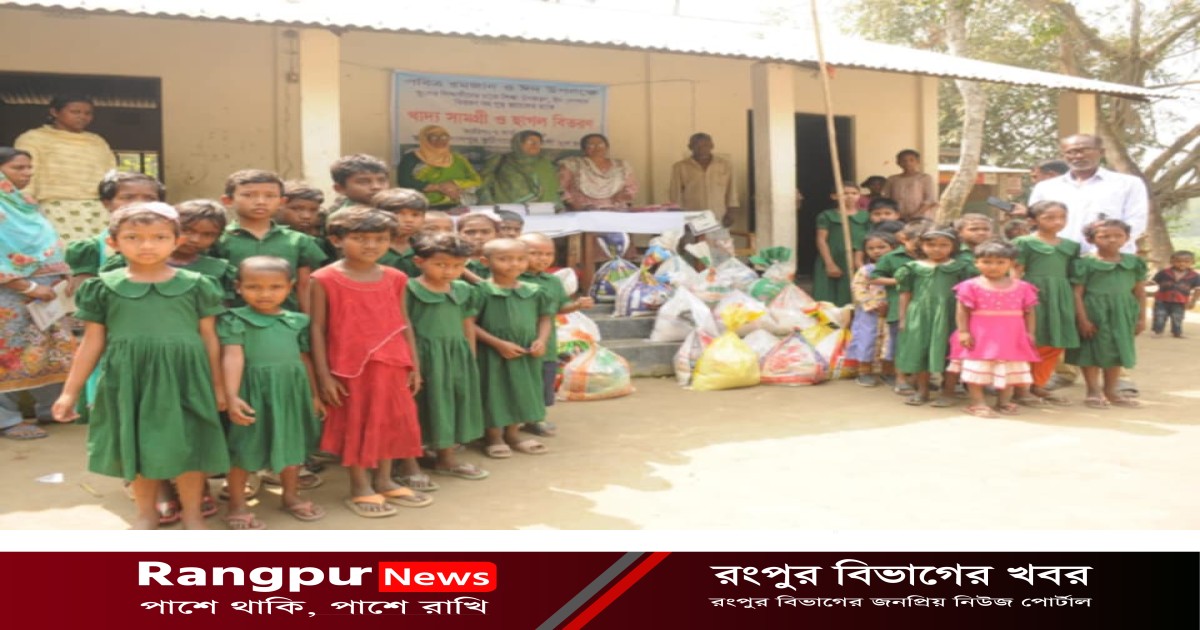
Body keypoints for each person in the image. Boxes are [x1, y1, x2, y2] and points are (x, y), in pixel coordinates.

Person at [51, 203, 229, 530]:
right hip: (130, 380)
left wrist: (219, 386)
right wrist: (69, 392)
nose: (147, 245)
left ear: (176, 241)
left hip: (186, 379)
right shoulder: (103, 287)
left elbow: (209, 338)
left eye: (159, 237)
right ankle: (146, 513)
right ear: (114, 243)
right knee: (137, 446)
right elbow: (91, 342)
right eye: (133, 237)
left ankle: (192, 513)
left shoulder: (198, 284)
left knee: (190, 445)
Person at [310, 207, 431, 517]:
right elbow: (316, 328)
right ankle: (359, 486)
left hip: (393, 363)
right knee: (357, 421)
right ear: (336, 240)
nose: (371, 245)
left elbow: (404, 322)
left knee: (389, 419)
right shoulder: (324, 278)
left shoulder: (396, 277)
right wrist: (323, 376)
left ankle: (385, 480)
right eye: (360, 238)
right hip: (348, 367)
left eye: (380, 239)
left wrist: (414, 365)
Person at [219, 256, 325, 529]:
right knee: (244, 446)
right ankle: (237, 504)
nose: (265, 294)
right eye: (254, 287)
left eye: (275, 287)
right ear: (238, 287)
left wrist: (314, 395)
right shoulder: (234, 319)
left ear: (290, 287)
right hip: (252, 393)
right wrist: (232, 395)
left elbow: (304, 359)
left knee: (292, 444)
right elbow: (232, 356)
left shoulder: (297, 321)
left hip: (291, 393)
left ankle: (290, 496)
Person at [0, 147, 75, 440]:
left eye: (29, 167)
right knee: (9, 353)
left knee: (52, 349)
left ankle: (51, 408)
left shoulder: (27, 204)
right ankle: (7, 419)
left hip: (49, 292)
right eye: (18, 168)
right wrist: (29, 287)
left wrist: (65, 274)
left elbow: (49, 241)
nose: (27, 173)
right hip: (11, 293)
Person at [406, 232, 489, 484]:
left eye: (457, 265)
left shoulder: (463, 289)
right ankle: (409, 462)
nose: (449, 271)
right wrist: (412, 364)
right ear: (419, 262)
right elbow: (404, 327)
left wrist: (470, 357)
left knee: (451, 405)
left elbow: (467, 324)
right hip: (423, 356)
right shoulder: (408, 289)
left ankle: (446, 458)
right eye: (440, 264)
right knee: (421, 406)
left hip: (456, 355)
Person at [472, 238, 556, 458]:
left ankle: (512, 434)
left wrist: (541, 340)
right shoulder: (480, 291)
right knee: (494, 392)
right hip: (492, 352)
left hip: (525, 351)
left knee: (521, 390)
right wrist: (498, 343)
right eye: (504, 259)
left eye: (520, 259)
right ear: (485, 261)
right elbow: (469, 324)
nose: (514, 264)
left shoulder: (535, 291)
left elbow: (545, 318)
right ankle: (493, 437)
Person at [946, 241, 1040, 417]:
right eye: (987, 262)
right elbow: (962, 310)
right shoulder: (969, 285)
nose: (993, 266)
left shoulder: (1023, 287)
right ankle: (977, 403)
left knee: (1009, 368)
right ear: (976, 263)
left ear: (1011, 263)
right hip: (979, 336)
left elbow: (1029, 312)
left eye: (1000, 262)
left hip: (1012, 336)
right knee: (977, 367)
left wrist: (1030, 333)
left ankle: (1004, 402)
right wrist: (964, 331)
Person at [213, 169, 327, 313]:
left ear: (282, 202)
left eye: (270, 196)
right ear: (228, 200)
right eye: (248, 195)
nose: (261, 202)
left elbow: (304, 287)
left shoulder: (298, 241)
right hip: (232, 321)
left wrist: (308, 321)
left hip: (287, 321)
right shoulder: (219, 239)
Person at [518, 232, 595, 436]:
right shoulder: (511, 279)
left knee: (543, 380)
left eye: (548, 254)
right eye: (535, 253)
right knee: (519, 381)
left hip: (546, 341)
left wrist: (577, 305)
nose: (542, 259)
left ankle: (536, 419)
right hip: (517, 338)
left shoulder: (552, 281)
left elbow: (559, 307)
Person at [1068, 219, 1147, 409]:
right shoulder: (1085, 263)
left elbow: (1139, 292)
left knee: (1117, 349)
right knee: (1091, 350)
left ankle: (1111, 391)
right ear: (1091, 239)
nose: (1112, 240)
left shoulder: (1134, 263)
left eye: (1118, 236)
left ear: (1127, 238)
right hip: (1094, 311)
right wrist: (1082, 319)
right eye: (1104, 236)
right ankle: (1093, 391)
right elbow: (1077, 293)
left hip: (1123, 312)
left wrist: (1142, 318)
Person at [14, 95, 117, 240]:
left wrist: (114, 201)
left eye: (88, 113)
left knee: (100, 250)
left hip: (98, 209)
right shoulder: (33, 139)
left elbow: (111, 174)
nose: (82, 117)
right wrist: (25, 204)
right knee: (61, 250)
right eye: (75, 112)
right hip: (53, 206)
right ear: (54, 112)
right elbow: (24, 172)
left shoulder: (97, 141)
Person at [895, 229, 977, 405]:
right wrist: (903, 318)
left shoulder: (962, 268)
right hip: (920, 315)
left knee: (951, 353)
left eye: (943, 245)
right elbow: (905, 293)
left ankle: (948, 392)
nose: (937, 249)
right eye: (931, 245)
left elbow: (968, 295)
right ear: (921, 245)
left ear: (953, 246)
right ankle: (922, 391)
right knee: (921, 351)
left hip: (951, 315)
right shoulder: (912, 268)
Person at [1028, 134, 1148, 255]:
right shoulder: (1045, 187)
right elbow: (1035, 223)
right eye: (1071, 152)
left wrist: (1099, 252)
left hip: (1108, 258)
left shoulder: (1128, 184)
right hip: (1057, 257)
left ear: (1101, 152)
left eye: (1084, 150)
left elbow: (1136, 222)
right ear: (1063, 155)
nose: (1078, 156)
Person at [1013, 201, 1079, 404]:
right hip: (1032, 295)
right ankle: (1021, 388)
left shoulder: (1071, 246)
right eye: (1049, 218)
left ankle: (1038, 384)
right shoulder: (1024, 242)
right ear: (1033, 221)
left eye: (1062, 217)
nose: (1057, 222)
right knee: (1031, 340)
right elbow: (1016, 271)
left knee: (1054, 342)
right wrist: (1016, 297)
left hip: (1060, 297)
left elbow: (1072, 275)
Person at [65, 171, 165, 296]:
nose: (139, 204)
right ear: (107, 203)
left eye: (150, 198)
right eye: (128, 197)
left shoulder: (171, 244)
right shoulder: (90, 250)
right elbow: (85, 296)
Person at [870, 221, 929, 394]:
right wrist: (899, 281)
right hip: (899, 307)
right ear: (904, 239)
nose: (921, 246)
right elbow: (874, 278)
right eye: (917, 241)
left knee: (923, 345)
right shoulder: (891, 257)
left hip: (926, 308)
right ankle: (901, 379)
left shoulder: (930, 256)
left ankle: (918, 379)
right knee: (901, 344)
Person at [848, 231, 897, 387]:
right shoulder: (866, 270)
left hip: (892, 312)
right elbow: (858, 288)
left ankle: (888, 371)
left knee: (890, 341)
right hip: (869, 313)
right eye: (871, 248)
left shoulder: (898, 269)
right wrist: (873, 305)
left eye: (882, 247)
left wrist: (892, 306)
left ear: (893, 247)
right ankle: (864, 372)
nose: (876, 251)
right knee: (867, 340)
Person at [397, 126, 483, 209]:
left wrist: (455, 184)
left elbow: (477, 181)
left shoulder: (458, 159)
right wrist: (438, 187)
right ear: (424, 139)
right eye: (434, 137)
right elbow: (405, 182)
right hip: (422, 207)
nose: (440, 140)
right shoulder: (411, 158)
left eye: (444, 137)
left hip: (457, 206)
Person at [812, 183, 868, 305]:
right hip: (831, 257)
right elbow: (821, 240)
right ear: (834, 196)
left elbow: (868, 240)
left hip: (856, 259)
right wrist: (829, 263)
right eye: (845, 193)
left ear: (859, 196)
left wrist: (860, 261)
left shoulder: (866, 216)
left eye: (854, 193)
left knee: (853, 294)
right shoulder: (827, 216)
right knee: (826, 297)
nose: (850, 196)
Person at [668, 132, 739, 226]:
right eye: (697, 145)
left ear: (712, 146)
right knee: (694, 236)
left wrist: (731, 213)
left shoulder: (725, 165)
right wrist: (679, 218)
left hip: (719, 216)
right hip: (692, 217)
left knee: (719, 236)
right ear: (690, 147)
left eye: (705, 145)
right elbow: (675, 194)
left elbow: (732, 190)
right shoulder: (680, 167)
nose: (702, 149)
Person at [478, 130, 561, 206]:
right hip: (506, 210)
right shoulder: (500, 160)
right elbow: (483, 184)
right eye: (530, 142)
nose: (535, 145)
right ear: (519, 143)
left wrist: (558, 207)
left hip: (543, 211)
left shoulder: (545, 164)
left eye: (538, 143)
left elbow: (553, 190)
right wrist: (488, 203)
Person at [558, 134, 638, 210]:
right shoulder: (572, 164)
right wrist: (575, 205)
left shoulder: (621, 166)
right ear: (584, 149)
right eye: (591, 145)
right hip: (581, 211)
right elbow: (561, 188)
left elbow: (631, 187)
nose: (597, 148)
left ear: (607, 147)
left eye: (601, 145)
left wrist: (621, 198)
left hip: (616, 210)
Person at [373, 188, 428, 278]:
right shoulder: (371, 247)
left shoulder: (426, 247)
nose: (409, 220)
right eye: (399, 213)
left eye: (415, 215)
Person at [1150, 251, 1199, 338]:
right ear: (1171, 261)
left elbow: (1198, 289)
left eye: (1186, 262)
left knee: (1178, 317)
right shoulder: (1164, 273)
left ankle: (1177, 332)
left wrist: (1193, 301)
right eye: (1178, 261)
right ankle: (1158, 331)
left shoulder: (1194, 276)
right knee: (1159, 315)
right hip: (1162, 300)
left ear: (1192, 262)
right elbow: (1153, 282)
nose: (1182, 264)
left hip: (1180, 301)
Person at [881, 149, 938, 220]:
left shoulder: (925, 178)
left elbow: (930, 199)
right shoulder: (892, 179)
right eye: (903, 160)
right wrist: (895, 214)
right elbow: (886, 199)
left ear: (918, 161)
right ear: (898, 162)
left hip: (921, 218)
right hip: (898, 218)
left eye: (911, 160)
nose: (907, 163)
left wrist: (915, 215)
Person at [458, 213, 499, 281]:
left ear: (496, 235)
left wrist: (463, 270)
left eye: (485, 232)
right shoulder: (448, 261)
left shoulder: (507, 261)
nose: (478, 237)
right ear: (458, 234)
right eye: (470, 232)